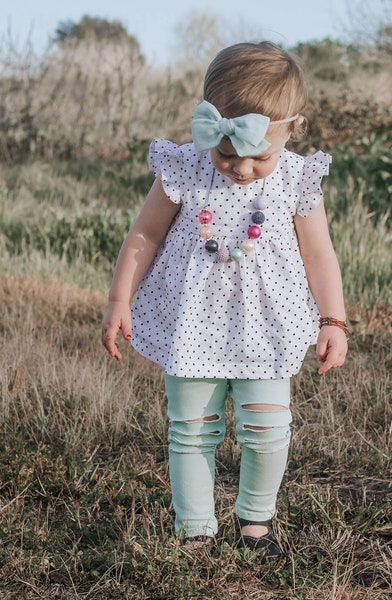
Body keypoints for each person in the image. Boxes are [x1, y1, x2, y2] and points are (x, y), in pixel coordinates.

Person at [101, 41, 347, 558]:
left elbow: (319, 254)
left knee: (267, 429)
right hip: (191, 323)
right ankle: (194, 528)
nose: (239, 168)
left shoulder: (298, 177)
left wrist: (334, 320)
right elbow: (143, 235)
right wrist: (120, 298)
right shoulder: (185, 167)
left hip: (266, 327)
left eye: (258, 156)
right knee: (191, 431)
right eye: (226, 153)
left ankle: (255, 521)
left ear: (291, 130)